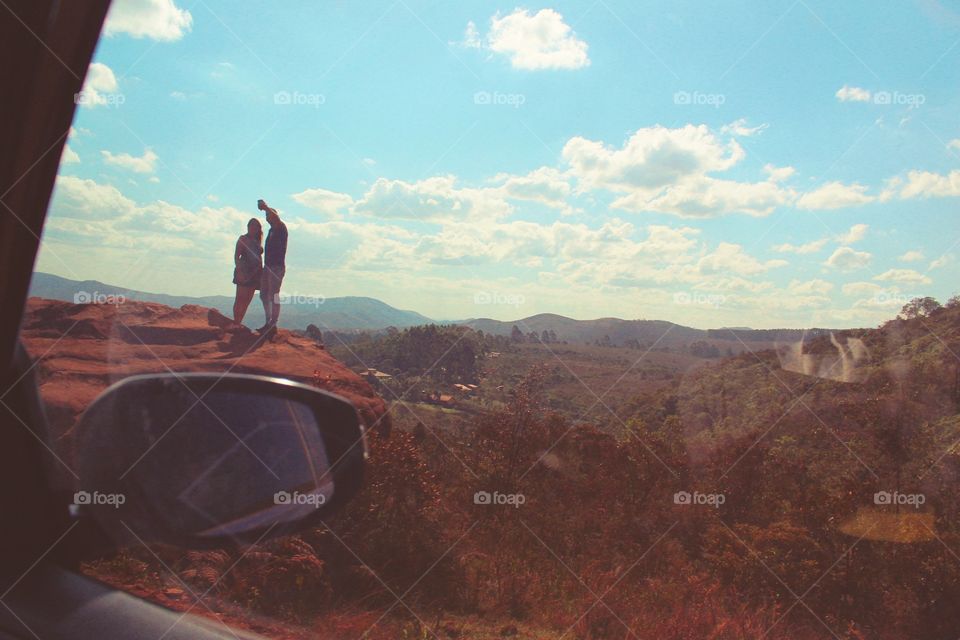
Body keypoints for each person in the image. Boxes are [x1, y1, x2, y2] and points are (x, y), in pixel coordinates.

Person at [257, 198, 288, 335]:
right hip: (268, 267)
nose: (267, 217)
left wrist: (266, 207)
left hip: (276, 267)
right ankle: (268, 321)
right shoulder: (270, 231)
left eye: (269, 215)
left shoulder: (281, 227)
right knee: (264, 294)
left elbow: (276, 218)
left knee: (273, 295)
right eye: (266, 216)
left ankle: (273, 324)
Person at [231, 218, 263, 326]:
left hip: (255, 274)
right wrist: (239, 270)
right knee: (240, 299)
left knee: (247, 301)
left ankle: (238, 323)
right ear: (248, 227)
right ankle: (236, 322)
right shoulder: (243, 239)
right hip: (244, 272)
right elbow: (236, 256)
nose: (254, 228)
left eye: (256, 226)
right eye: (252, 226)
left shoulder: (257, 241)